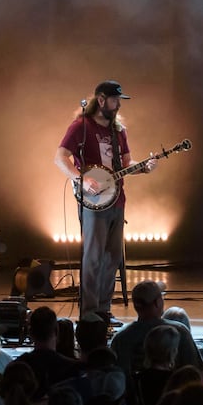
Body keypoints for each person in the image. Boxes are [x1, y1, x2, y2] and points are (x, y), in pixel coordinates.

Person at [54, 81, 155, 322]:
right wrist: (81, 180)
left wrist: (145, 168)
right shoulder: (82, 126)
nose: (119, 105)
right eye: (114, 100)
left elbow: (127, 164)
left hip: (117, 200)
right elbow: (60, 157)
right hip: (94, 202)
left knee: (111, 257)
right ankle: (89, 313)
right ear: (101, 100)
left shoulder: (119, 131)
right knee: (93, 257)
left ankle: (103, 310)